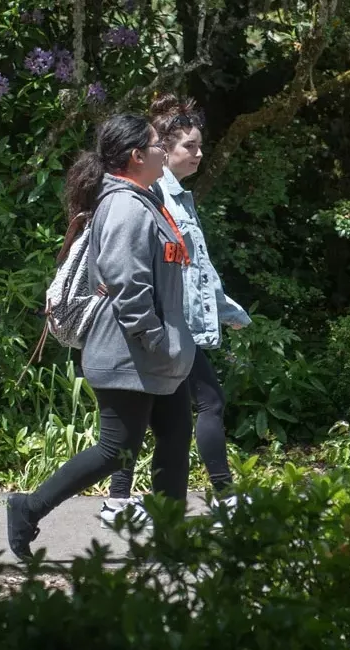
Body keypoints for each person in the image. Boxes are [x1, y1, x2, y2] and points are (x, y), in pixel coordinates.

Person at [7, 114, 197, 561]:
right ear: (136, 156)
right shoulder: (126, 206)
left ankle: (169, 542)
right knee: (116, 450)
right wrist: (158, 339)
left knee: (174, 438)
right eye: (156, 147)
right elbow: (127, 285)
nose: (162, 153)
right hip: (128, 354)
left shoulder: (144, 199)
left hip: (156, 356)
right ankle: (27, 508)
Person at [97, 95, 253, 529]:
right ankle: (220, 496)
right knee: (204, 404)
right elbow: (163, 271)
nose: (199, 154)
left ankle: (129, 501)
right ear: (160, 149)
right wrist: (160, 331)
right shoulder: (150, 196)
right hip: (168, 327)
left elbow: (196, 267)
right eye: (190, 146)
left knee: (157, 415)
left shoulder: (176, 196)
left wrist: (225, 310)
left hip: (173, 327)